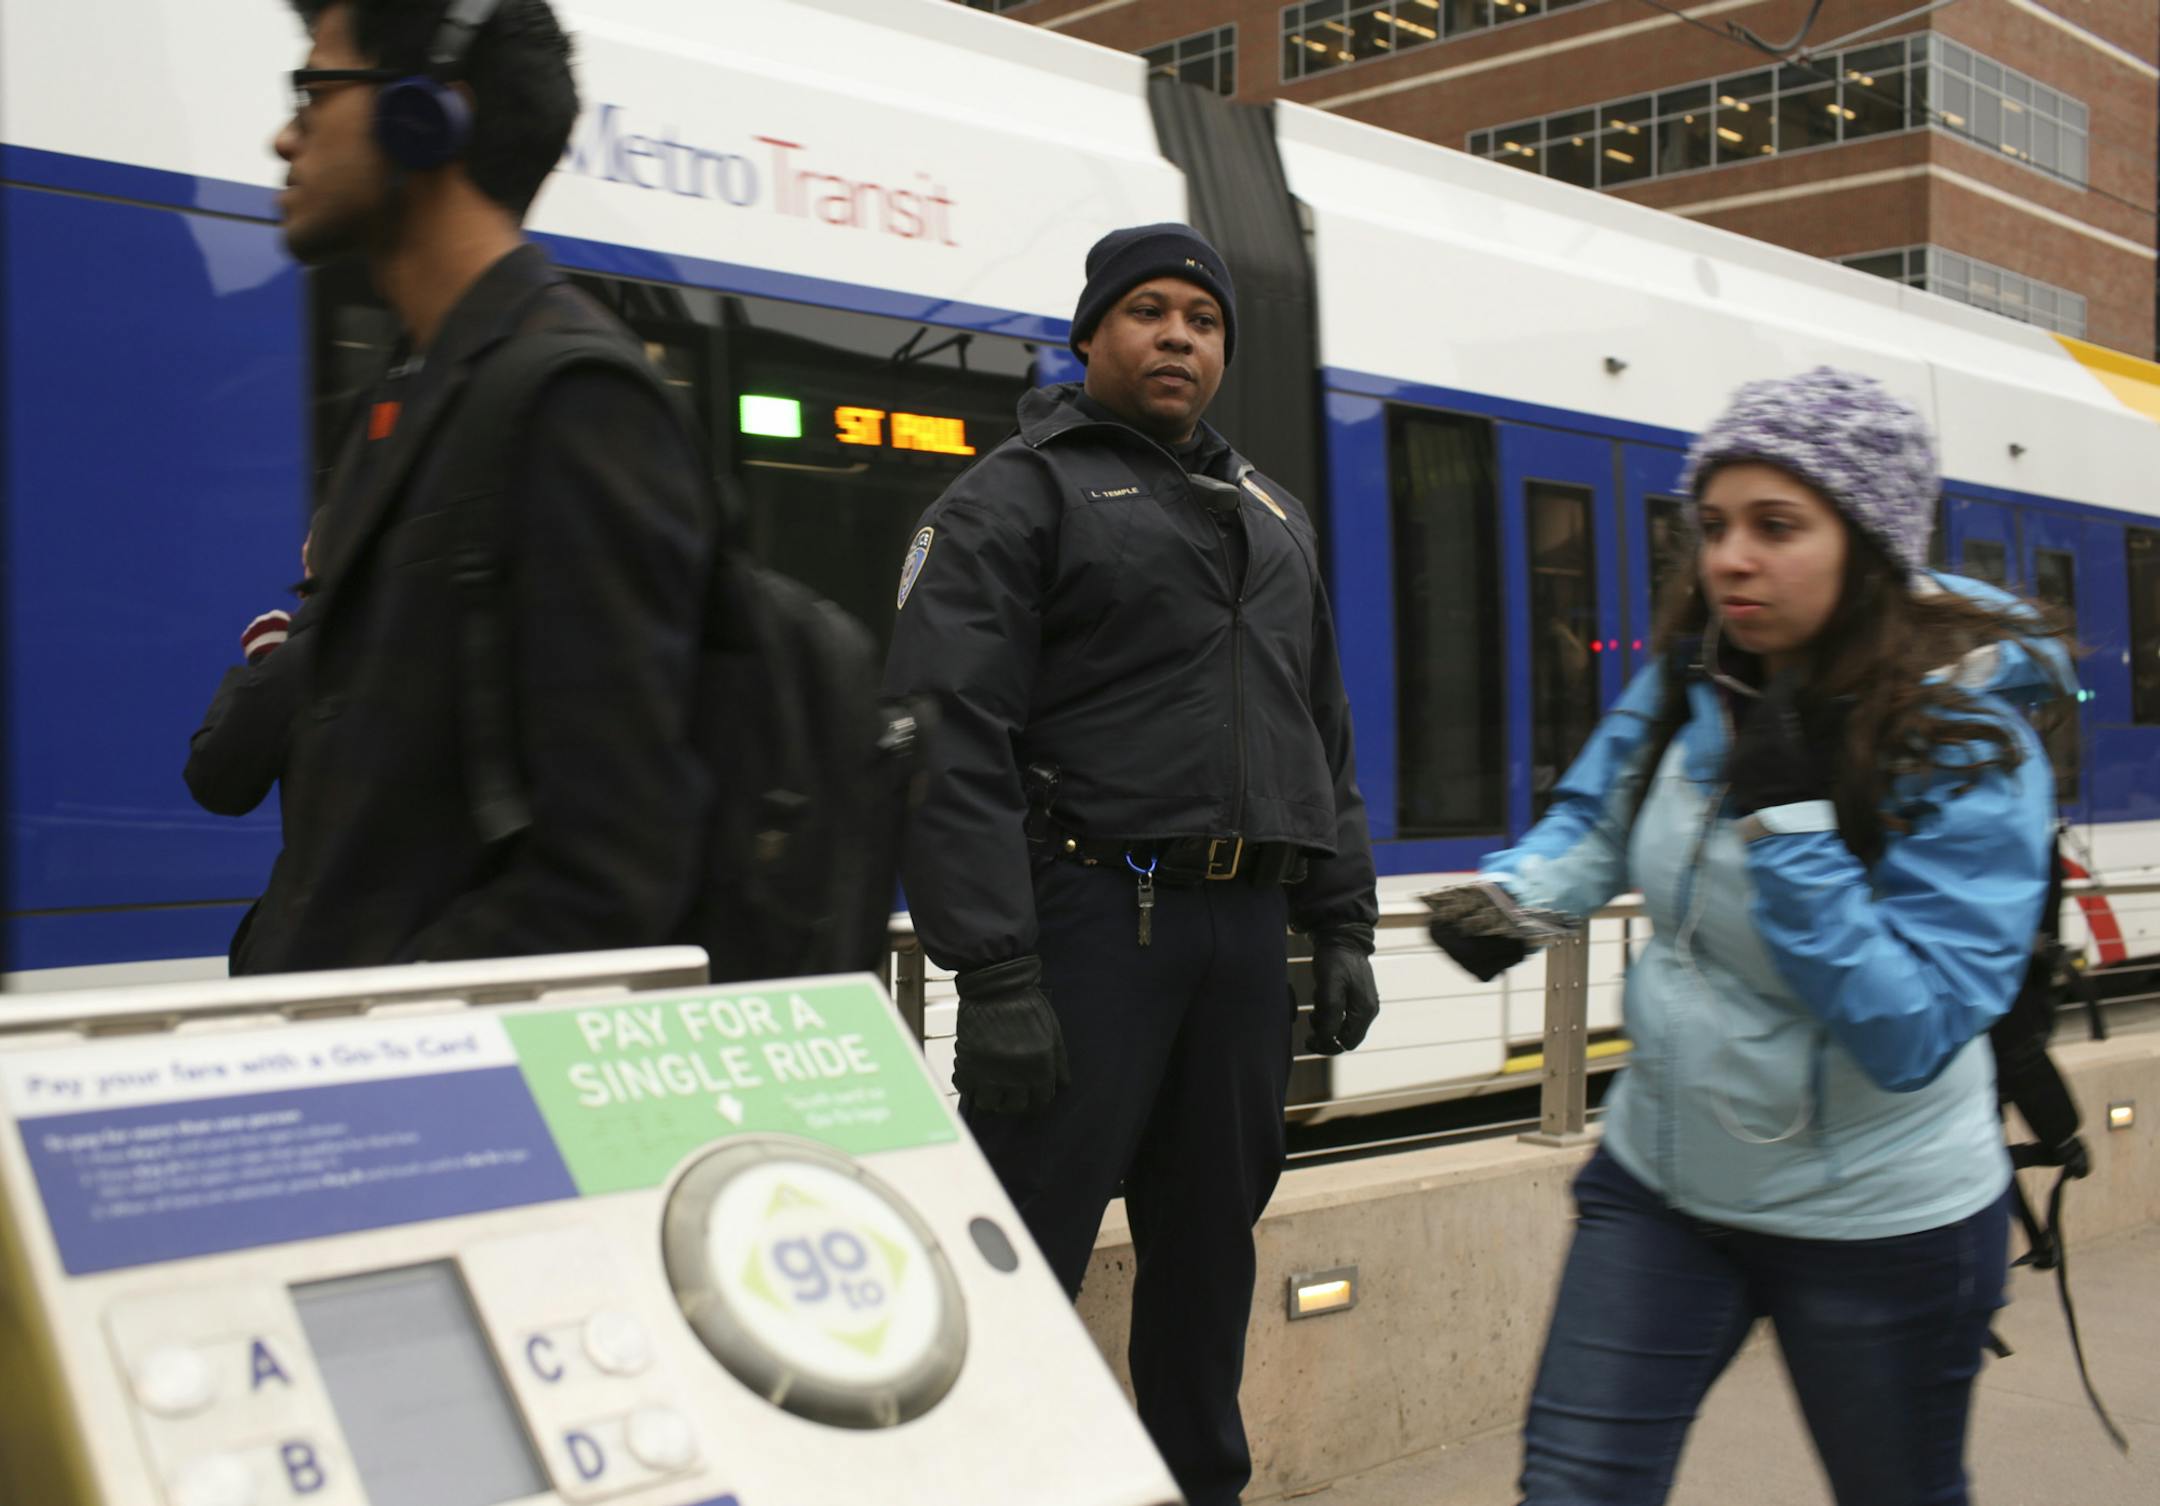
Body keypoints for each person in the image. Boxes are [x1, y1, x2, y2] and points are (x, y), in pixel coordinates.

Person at [1425, 367, 2072, 1506]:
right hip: (1664, 1189)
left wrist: (1792, 832)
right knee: (1572, 1491)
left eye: (1777, 526)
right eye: (1713, 525)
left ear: (1868, 544)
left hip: (1880, 1216)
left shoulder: (1971, 747)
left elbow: (1911, 1029)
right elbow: (1603, 810)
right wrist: (1524, 894)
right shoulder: (1696, 679)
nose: (1729, 558)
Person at [882, 223, 1381, 1506]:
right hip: (1091, 924)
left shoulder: (1277, 515)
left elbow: (1319, 728)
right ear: (1093, 334)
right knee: (1021, 1258)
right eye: (1148, 313)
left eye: (1202, 320)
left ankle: (1194, 1488)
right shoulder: (1013, 496)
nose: (1178, 337)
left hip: (1240, 940)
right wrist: (994, 971)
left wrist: (1343, 922)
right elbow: (950, 738)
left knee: (1210, 1260)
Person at [237, 0, 713, 973]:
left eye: (314, 89)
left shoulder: (576, 400)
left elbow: (612, 870)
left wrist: (384, 1023)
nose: (285, 133)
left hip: (440, 1085)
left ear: (427, 114)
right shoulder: (412, 399)